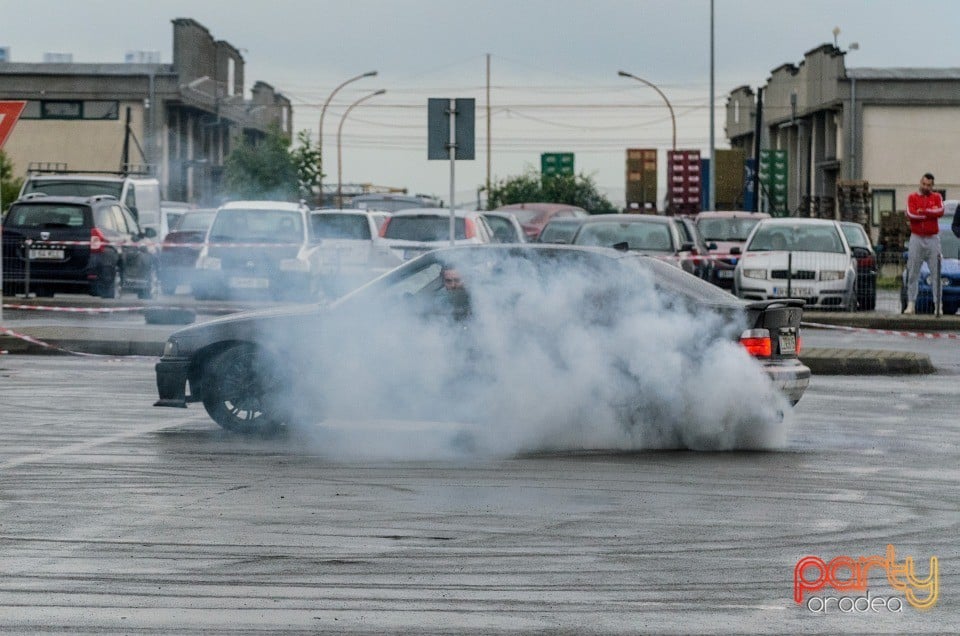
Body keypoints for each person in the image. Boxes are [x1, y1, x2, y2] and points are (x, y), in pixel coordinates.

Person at [904, 173, 945, 315]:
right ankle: (911, 304)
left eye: (929, 185)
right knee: (913, 272)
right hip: (916, 237)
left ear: (932, 186)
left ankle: (938, 305)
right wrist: (929, 214)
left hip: (933, 238)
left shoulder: (937, 197)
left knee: (936, 273)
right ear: (920, 183)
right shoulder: (912, 198)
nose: (926, 187)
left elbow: (940, 211)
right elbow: (911, 214)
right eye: (924, 184)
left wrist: (924, 212)